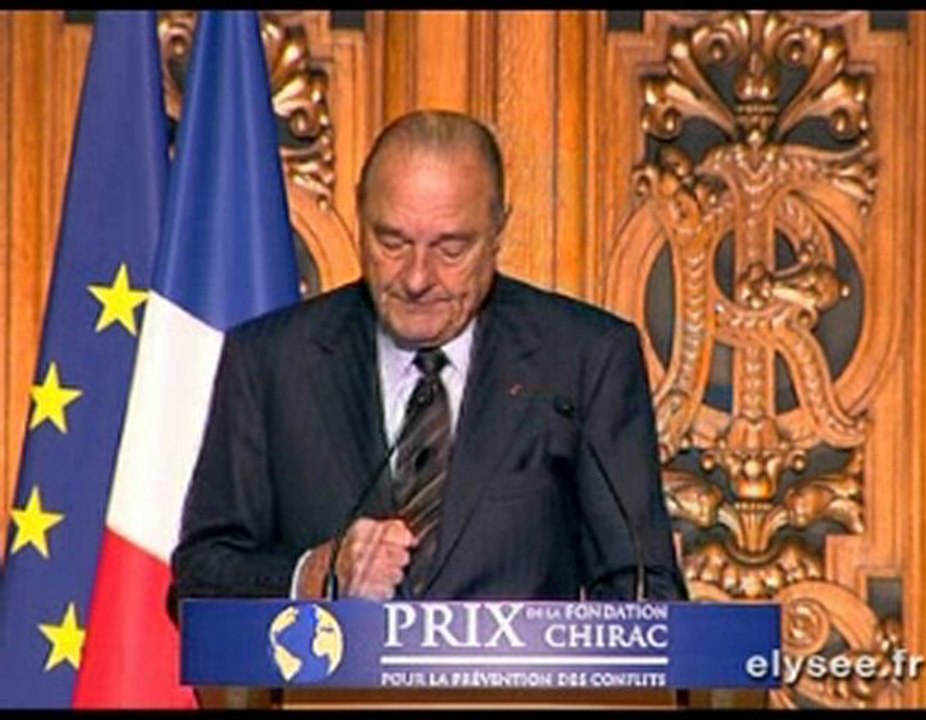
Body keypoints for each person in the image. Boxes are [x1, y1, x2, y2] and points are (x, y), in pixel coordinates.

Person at [169, 109, 687, 612]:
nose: (417, 278)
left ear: (497, 230)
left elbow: (642, 588)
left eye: (451, 248)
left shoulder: (583, 360)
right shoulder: (272, 361)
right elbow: (198, 577)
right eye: (391, 241)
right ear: (359, 216)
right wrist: (315, 573)